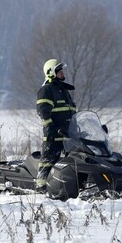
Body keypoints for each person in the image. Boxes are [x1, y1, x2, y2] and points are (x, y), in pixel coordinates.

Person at [36, 59, 76, 192]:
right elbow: (43, 111)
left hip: (68, 135)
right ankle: (40, 186)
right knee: (48, 161)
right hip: (54, 135)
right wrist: (51, 128)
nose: (62, 73)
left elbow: (72, 112)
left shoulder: (63, 90)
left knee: (70, 163)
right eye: (59, 71)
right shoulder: (47, 90)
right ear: (51, 73)